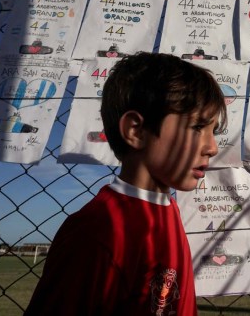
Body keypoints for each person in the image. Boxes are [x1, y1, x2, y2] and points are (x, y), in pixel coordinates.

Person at [25, 52, 226, 316]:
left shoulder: (167, 209)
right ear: (136, 131)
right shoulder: (95, 232)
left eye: (214, 131)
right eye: (197, 127)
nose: (212, 147)